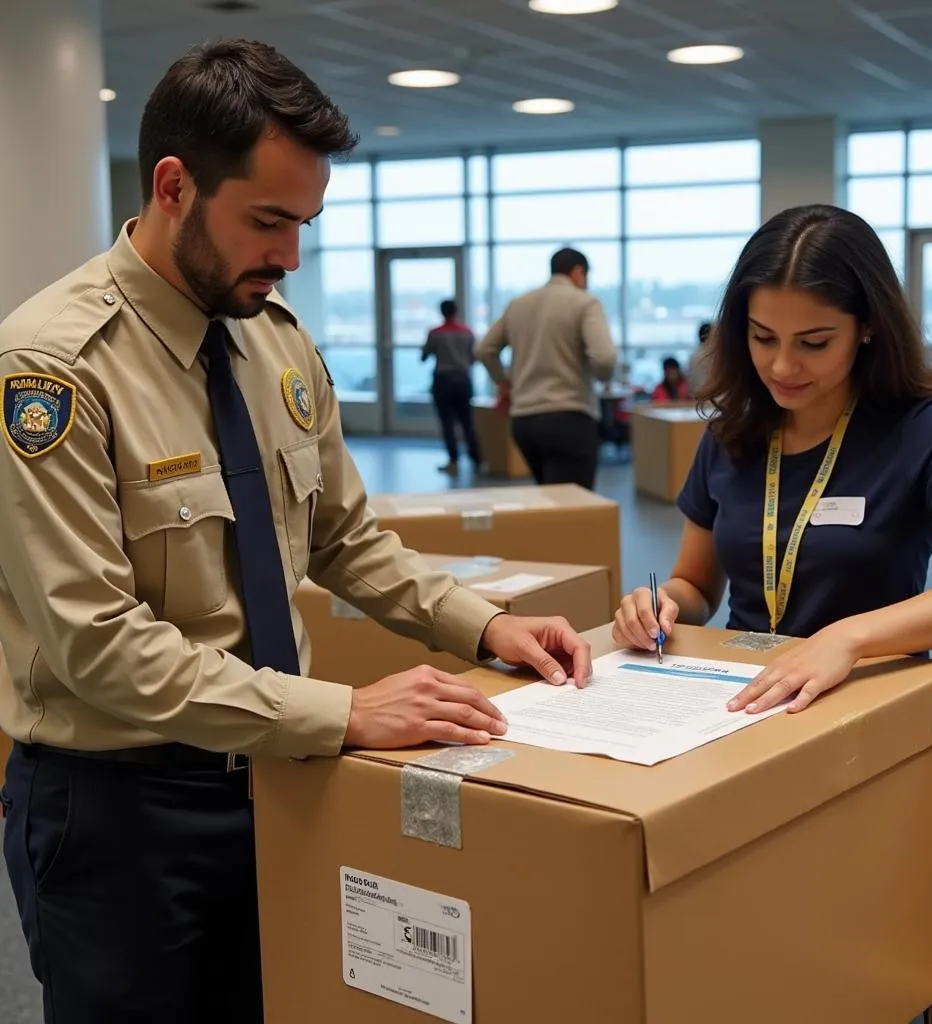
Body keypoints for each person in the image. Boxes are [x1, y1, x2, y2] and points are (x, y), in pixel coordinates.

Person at [0, 39, 592, 1024]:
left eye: (304, 223)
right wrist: (344, 713)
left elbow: (348, 538)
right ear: (175, 185)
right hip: (120, 810)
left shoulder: (275, 344)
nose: (290, 257)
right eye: (268, 221)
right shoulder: (54, 370)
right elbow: (98, 647)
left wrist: (486, 626)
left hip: (280, 781)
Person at [613, 204, 932, 716]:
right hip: (741, 697)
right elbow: (696, 585)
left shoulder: (922, 430)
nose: (783, 365)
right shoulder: (731, 433)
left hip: (863, 700)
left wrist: (848, 638)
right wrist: (659, 605)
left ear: (867, 327)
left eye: (814, 342)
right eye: (763, 337)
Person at [476, 247, 617, 491]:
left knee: (550, 500)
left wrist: (505, 383)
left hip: (524, 423)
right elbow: (604, 359)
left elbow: (484, 350)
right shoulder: (584, 303)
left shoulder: (518, 304)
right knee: (572, 510)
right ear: (578, 271)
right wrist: (603, 377)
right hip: (569, 418)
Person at [421, 298, 482, 475]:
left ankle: (453, 461)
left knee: (447, 423)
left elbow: (425, 355)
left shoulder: (435, 333)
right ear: (456, 311)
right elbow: (474, 357)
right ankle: (476, 459)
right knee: (467, 422)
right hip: (463, 381)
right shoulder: (468, 332)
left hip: (443, 381)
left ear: (442, 312)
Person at [686, 320, 714, 395]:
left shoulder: (693, 356)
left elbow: (690, 384)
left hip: (697, 399)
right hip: (713, 400)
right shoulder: (714, 355)